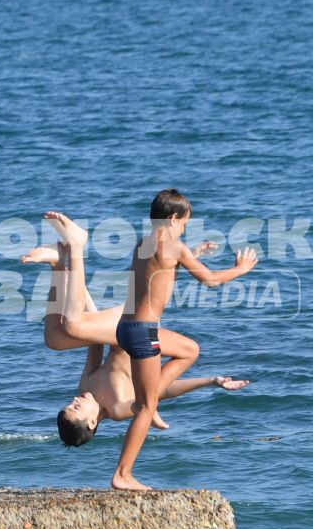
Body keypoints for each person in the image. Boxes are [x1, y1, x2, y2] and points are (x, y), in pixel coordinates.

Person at [25, 210, 250, 471]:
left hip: (121, 328)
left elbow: (95, 341)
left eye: (70, 404)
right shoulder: (120, 408)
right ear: (91, 423)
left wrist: (75, 282)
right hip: (136, 332)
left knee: (55, 338)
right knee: (74, 327)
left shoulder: (86, 385)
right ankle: (72, 249)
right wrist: (210, 382)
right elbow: (159, 391)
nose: (75, 400)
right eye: (76, 408)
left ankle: (59, 263)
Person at [109, 189, 257, 490]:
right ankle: (122, 475)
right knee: (146, 407)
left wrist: (193, 253)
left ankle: (153, 397)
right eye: (185, 223)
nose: (185, 229)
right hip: (143, 331)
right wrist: (241, 269)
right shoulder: (175, 248)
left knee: (189, 350)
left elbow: (157, 269)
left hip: (125, 328)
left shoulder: (142, 243)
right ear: (174, 217)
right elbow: (211, 280)